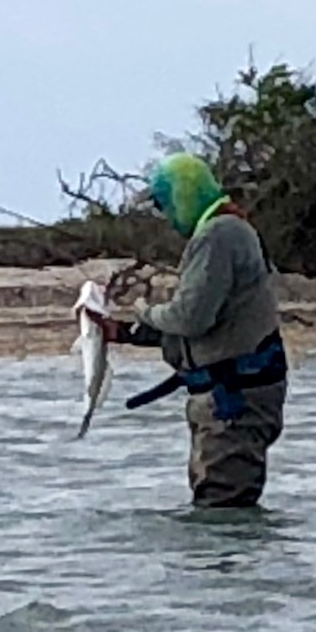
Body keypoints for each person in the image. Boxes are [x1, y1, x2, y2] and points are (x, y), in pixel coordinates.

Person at [92, 152, 288, 508]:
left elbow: (189, 318)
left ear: (183, 195)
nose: (165, 216)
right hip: (231, 396)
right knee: (219, 504)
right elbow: (207, 322)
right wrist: (123, 332)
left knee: (223, 510)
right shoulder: (228, 230)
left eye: (165, 204)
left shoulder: (220, 234)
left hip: (234, 400)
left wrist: (142, 309)